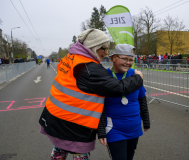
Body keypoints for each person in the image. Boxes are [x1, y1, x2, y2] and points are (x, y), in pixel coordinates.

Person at [39, 29, 144, 160]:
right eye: (104, 49)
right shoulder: (89, 67)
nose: (106, 53)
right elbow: (117, 88)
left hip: (55, 117)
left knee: (59, 153)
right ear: (93, 47)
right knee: (80, 155)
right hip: (74, 124)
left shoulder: (71, 57)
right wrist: (138, 78)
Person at [98, 44, 150, 160]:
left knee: (129, 157)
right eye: (124, 59)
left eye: (131, 59)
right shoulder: (105, 75)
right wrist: (101, 131)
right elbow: (100, 106)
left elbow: (142, 99)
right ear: (113, 58)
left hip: (134, 127)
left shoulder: (135, 75)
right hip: (114, 129)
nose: (128, 62)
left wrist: (146, 120)